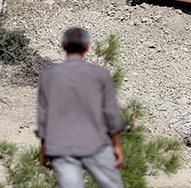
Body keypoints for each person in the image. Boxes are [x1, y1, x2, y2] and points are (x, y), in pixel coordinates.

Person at [35, 27, 126, 188]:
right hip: (96, 144)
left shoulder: (48, 75)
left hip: (61, 147)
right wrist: (117, 145)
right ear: (87, 47)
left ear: (62, 46)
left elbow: (44, 117)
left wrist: (43, 148)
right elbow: (111, 113)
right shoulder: (100, 74)